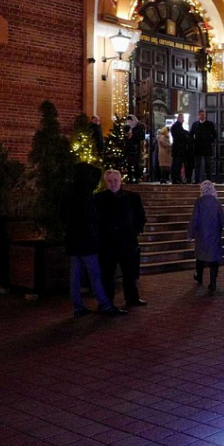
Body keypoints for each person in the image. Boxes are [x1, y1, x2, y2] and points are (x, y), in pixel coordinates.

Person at [63, 163, 126, 318]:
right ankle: (105, 305)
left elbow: (62, 215)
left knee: (75, 275)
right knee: (95, 274)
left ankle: (78, 307)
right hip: (87, 241)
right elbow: (92, 217)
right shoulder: (86, 196)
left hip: (73, 239)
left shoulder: (69, 193)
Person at [94, 169, 148, 308]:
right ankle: (106, 301)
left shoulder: (133, 198)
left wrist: (133, 232)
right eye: (110, 181)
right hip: (107, 243)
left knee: (129, 272)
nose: (113, 184)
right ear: (105, 182)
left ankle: (132, 298)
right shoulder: (98, 199)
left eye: (115, 180)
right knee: (107, 274)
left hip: (127, 241)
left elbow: (140, 217)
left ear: (120, 181)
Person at [188, 181, 224, 294]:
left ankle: (199, 276)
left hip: (202, 233)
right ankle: (213, 282)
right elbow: (222, 218)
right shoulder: (217, 203)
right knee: (214, 258)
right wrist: (219, 230)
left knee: (200, 256)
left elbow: (194, 218)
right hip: (214, 233)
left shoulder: (199, 202)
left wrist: (191, 233)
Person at [191, 109, 218, 183]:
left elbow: (215, 135)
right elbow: (191, 135)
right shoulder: (195, 124)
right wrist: (194, 141)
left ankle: (209, 181)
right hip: (198, 148)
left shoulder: (210, 124)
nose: (202, 116)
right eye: (201, 115)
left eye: (203, 115)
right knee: (197, 165)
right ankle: (196, 180)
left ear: (205, 115)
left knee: (208, 165)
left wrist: (210, 141)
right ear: (198, 116)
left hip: (207, 147)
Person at [124, 115, 145, 183]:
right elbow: (125, 137)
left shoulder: (139, 127)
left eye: (130, 121)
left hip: (136, 148)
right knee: (129, 163)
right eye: (128, 121)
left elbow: (142, 137)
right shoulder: (127, 127)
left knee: (136, 163)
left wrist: (133, 135)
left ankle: (137, 177)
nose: (129, 123)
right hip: (128, 148)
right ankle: (130, 178)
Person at [170, 113, 189, 184]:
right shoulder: (176, 127)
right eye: (182, 118)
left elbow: (183, 133)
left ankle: (177, 178)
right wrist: (186, 136)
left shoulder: (178, 126)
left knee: (179, 164)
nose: (183, 119)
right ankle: (175, 178)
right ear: (179, 118)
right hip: (178, 149)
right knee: (176, 164)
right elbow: (180, 136)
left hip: (179, 150)